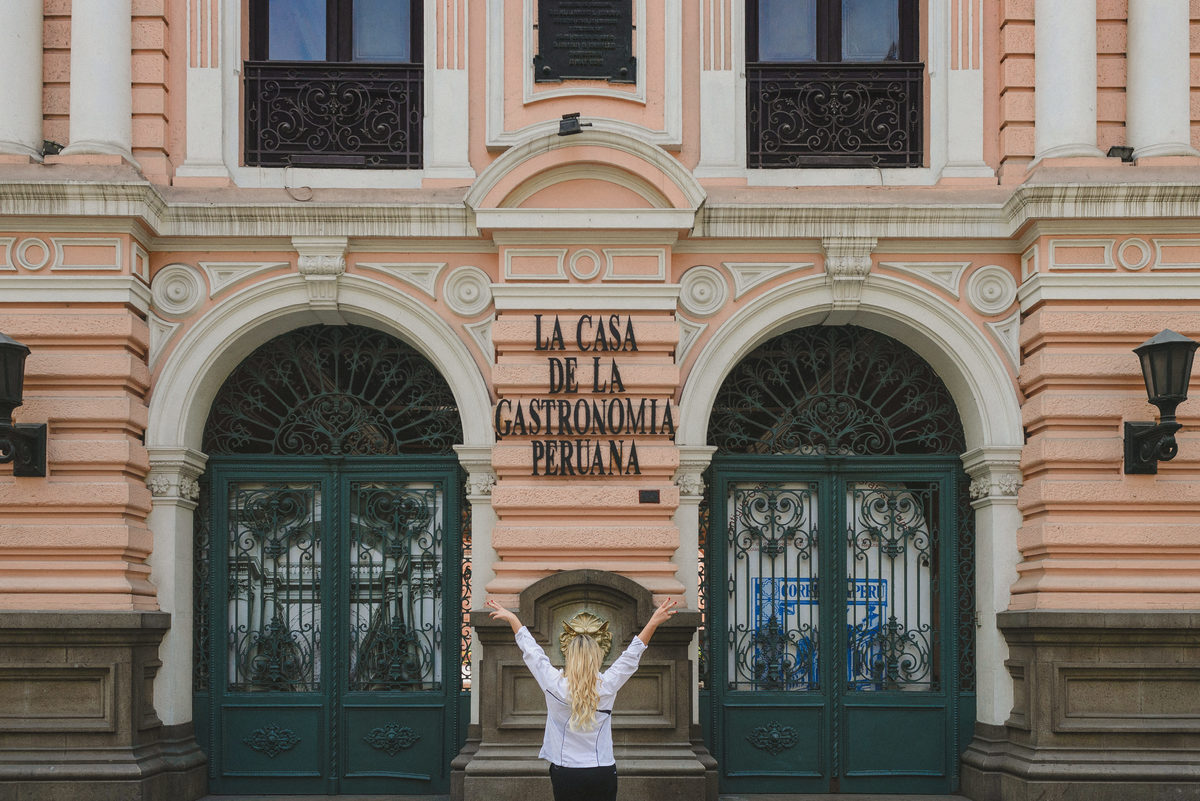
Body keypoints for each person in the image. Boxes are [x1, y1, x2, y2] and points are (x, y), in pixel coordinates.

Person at [485, 596, 678, 801]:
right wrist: (653, 622)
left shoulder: (554, 684)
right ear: (597, 657)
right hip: (602, 770)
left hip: (566, 771)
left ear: (569, 657)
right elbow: (631, 656)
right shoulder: (607, 685)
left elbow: (533, 653)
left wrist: (513, 619)